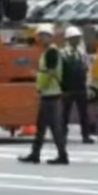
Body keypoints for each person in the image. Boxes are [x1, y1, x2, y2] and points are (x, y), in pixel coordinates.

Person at [20, 23, 68, 165]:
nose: (41, 39)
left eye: (43, 36)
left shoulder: (51, 52)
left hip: (51, 94)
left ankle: (62, 155)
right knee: (41, 126)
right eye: (40, 36)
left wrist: (40, 82)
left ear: (50, 37)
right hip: (48, 94)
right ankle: (35, 153)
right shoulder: (47, 52)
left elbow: (51, 72)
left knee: (54, 127)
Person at [59, 26, 94, 144]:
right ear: (68, 40)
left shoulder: (82, 54)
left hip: (81, 88)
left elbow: (88, 69)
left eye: (78, 38)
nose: (77, 41)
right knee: (65, 114)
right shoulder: (62, 54)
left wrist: (88, 85)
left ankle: (86, 135)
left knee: (84, 113)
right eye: (74, 38)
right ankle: (62, 135)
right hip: (67, 88)